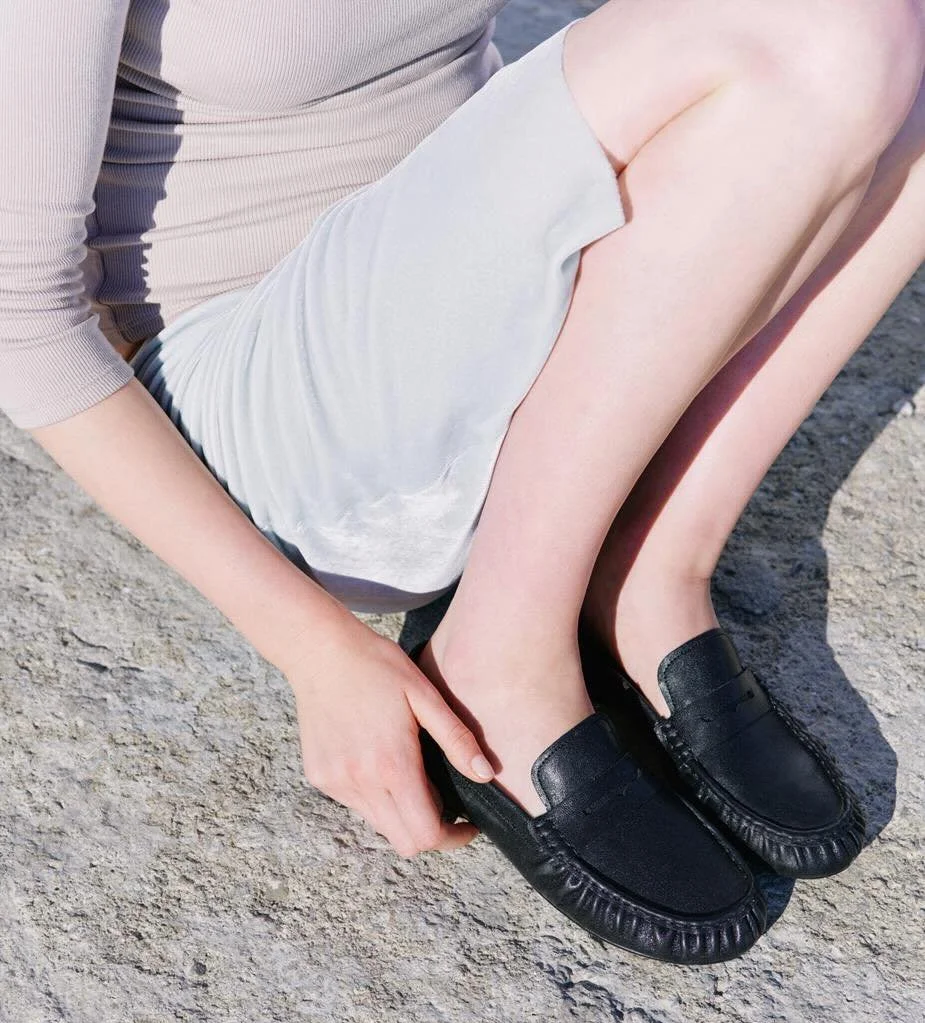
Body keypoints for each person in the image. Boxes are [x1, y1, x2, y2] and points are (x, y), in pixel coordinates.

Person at [2, 1, 924, 965]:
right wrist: (315, 652)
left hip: (478, 279)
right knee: (827, 26)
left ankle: (647, 562)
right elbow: (22, 320)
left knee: (895, 34)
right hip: (294, 411)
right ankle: (498, 650)